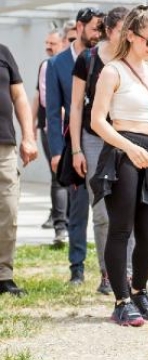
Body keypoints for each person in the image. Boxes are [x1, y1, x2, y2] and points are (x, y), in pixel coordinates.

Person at [90, 4, 148, 327]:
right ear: (131, 36)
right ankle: (121, 299)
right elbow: (98, 120)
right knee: (121, 229)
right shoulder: (112, 71)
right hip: (122, 152)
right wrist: (128, 147)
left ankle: (140, 290)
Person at [69, 6, 131, 295]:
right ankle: (107, 273)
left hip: (127, 138)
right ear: (109, 30)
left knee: (127, 207)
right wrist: (77, 150)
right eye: (123, 29)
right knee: (102, 210)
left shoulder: (134, 57)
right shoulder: (87, 59)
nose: (129, 35)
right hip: (94, 139)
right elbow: (76, 105)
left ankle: (128, 272)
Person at [46, 7, 104, 285]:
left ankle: (109, 271)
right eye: (95, 27)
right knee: (78, 208)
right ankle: (77, 267)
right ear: (80, 27)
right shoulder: (56, 64)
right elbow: (53, 112)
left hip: (105, 141)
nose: (99, 33)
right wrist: (57, 151)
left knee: (106, 211)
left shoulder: (104, 57)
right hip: (76, 145)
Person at [0, 43, 39, 297]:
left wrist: (28, 136)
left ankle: (3, 275)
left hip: (4, 146)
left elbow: (20, 96)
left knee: (9, 210)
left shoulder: (3, 52)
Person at [32, 29, 67, 235]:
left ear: (62, 42)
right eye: (46, 42)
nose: (48, 46)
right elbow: (42, 98)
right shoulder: (46, 66)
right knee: (58, 174)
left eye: (52, 43)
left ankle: (66, 220)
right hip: (52, 128)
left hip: (71, 127)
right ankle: (60, 223)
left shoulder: (72, 62)